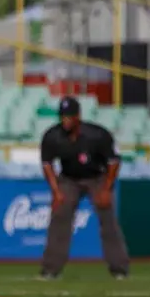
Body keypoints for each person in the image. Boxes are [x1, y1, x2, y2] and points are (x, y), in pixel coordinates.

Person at [39, 96, 130, 280]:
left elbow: (113, 162)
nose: (66, 120)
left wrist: (106, 189)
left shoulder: (97, 135)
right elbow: (47, 164)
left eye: (69, 116)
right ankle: (50, 269)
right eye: (63, 116)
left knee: (108, 219)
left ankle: (119, 268)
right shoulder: (52, 136)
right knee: (59, 216)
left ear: (78, 116)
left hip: (97, 177)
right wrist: (56, 192)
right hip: (69, 178)